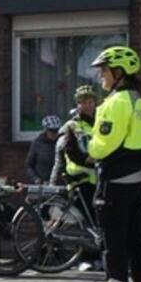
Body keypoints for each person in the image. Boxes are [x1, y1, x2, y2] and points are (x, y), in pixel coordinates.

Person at [83, 46, 141, 282]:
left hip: (116, 182)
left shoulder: (115, 103)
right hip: (139, 180)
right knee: (138, 243)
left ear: (118, 72)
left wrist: (85, 148)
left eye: (104, 70)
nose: (100, 76)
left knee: (113, 245)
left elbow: (102, 146)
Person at [54, 85, 101, 269]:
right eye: (83, 102)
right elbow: (71, 152)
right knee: (87, 222)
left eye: (90, 102)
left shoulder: (100, 122)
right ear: (78, 105)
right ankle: (85, 259)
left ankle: (99, 257)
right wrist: (90, 161)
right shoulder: (72, 126)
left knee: (98, 221)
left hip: (97, 177)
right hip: (80, 177)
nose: (87, 105)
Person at [26, 114, 61, 184]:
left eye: (56, 131)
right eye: (51, 131)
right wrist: (35, 178)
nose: (54, 133)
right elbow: (29, 165)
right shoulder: (37, 143)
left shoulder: (61, 142)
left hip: (59, 182)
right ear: (46, 130)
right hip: (42, 183)